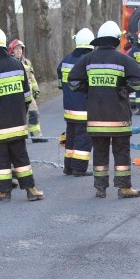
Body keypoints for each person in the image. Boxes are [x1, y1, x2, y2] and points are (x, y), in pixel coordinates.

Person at [67, 20, 140, 199]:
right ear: (116, 39)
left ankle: (100, 188)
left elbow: (73, 81)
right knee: (121, 153)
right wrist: (126, 89)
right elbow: (139, 80)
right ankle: (124, 188)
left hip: (96, 118)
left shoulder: (88, 59)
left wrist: (89, 89)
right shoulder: (123, 59)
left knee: (100, 154)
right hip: (119, 119)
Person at [0, 26, 44, 202]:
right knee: (21, 157)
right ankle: (30, 189)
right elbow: (27, 96)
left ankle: (3, 192)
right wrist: (21, 113)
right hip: (17, 124)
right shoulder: (17, 63)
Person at [56, 28, 94, 176]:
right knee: (83, 139)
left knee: (70, 137)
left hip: (69, 108)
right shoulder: (88, 61)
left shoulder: (66, 60)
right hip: (83, 108)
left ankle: (68, 167)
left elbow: (60, 80)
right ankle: (79, 168)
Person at [9, 39, 43, 141]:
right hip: (16, 94)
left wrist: (36, 89)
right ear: (11, 50)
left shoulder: (27, 62)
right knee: (18, 116)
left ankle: (36, 136)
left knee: (34, 113)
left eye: (20, 48)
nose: (19, 51)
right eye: (16, 49)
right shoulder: (9, 63)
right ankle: (17, 137)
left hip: (29, 93)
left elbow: (32, 77)